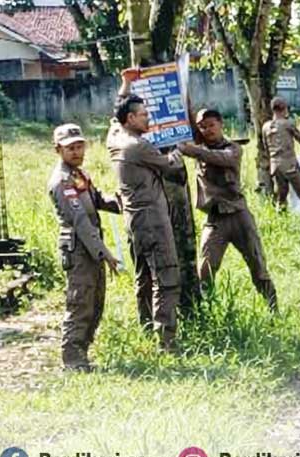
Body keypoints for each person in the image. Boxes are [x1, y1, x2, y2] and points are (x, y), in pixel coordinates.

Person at [106, 68, 185, 350]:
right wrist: (180, 145)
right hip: (152, 220)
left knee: (144, 277)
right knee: (166, 276)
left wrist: (125, 83)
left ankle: (146, 328)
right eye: (143, 115)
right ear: (131, 119)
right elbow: (171, 165)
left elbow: (116, 112)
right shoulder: (137, 146)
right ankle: (167, 340)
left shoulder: (115, 137)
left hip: (134, 220)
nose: (148, 118)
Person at [177, 109, 278, 310]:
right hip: (215, 220)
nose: (208, 130)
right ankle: (206, 312)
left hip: (239, 216)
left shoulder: (233, 149)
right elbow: (188, 120)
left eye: (211, 125)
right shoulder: (200, 147)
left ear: (221, 124)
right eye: (202, 127)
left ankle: (273, 308)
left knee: (258, 267)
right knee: (205, 271)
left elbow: (220, 158)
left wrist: (189, 150)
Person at [47, 123, 121, 371]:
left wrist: (124, 201)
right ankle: (73, 359)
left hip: (91, 245)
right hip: (79, 249)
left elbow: (97, 200)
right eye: (70, 148)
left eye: (80, 146)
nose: (77, 152)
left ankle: (83, 355)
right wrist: (106, 253)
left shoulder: (79, 175)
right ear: (58, 150)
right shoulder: (62, 181)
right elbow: (80, 221)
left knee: (96, 301)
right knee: (80, 303)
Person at [262, 96, 300, 210]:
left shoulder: (265, 127)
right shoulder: (287, 124)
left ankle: (280, 215)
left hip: (275, 167)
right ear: (284, 108)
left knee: (282, 194)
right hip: (290, 165)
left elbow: (266, 148)